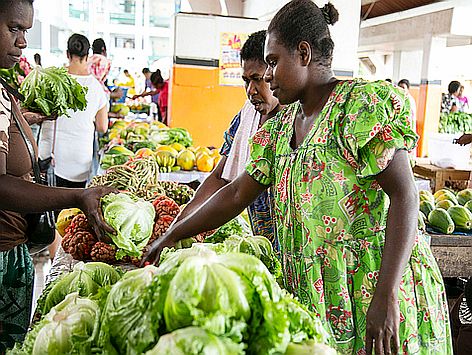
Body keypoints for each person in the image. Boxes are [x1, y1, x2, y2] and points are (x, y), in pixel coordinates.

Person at [144, 1, 452, 354]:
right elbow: (234, 195)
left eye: (273, 62)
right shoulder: (279, 129)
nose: (269, 75)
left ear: (303, 53)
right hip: (317, 293)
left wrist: (386, 294)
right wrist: (171, 235)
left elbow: (405, 195)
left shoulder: (358, 108)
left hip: (374, 287)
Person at [0, 1, 114, 351]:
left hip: (12, 248)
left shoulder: (5, 90)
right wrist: (76, 197)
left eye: (26, 32)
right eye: (14, 28)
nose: (22, 42)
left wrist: (25, 120)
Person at [175, 30, 281, 245]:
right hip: (261, 242)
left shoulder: (297, 122)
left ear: (274, 73)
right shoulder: (246, 117)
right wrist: (181, 222)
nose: (251, 90)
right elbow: (220, 177)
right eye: (245, 80)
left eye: (257, 79)